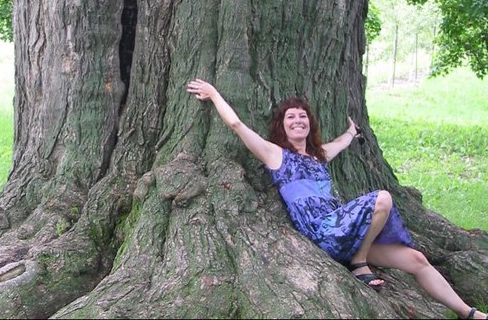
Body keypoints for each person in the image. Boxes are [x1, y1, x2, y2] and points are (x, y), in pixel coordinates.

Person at [187, 78, 487, 320]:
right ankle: (358, 262)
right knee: (382, 198)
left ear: (309, 124)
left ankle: (468, 313)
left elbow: (339, 144)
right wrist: (214, 94)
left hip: (345, 232)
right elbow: (237, 125)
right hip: (322, 232)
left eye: (302, 117)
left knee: (417, 260)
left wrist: (351, 132)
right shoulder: (276, 155)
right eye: (290, 117)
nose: (297, 121)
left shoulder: (319, 157)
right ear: (282, 126)